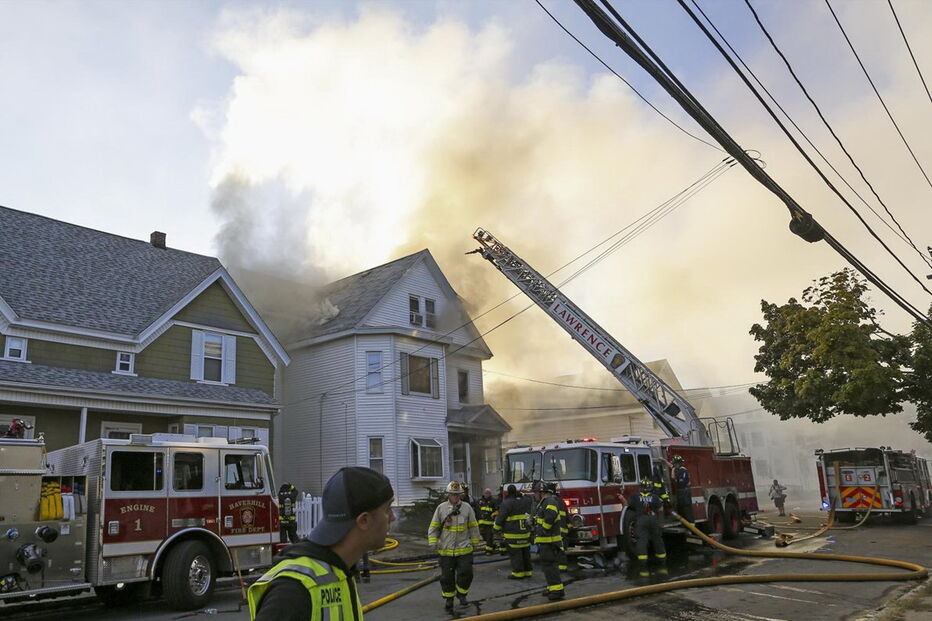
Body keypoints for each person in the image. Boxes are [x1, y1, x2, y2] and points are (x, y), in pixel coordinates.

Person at [248, 467, 394, 621]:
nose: (393, 517)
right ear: (364, 520)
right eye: (388, 509)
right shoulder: (292, 591)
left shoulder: (340, 571)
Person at [428, 480, 482, 612]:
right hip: (446, 550)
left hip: (464, 549)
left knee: (466, 573)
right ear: (448, 495)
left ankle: (462, 595)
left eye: (457, 494)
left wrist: (475, 541)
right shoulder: (441, 509)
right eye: (453, 494)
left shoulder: (467, 508)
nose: (455, 497)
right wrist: (433, 541)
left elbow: (473, 526)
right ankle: (449, 599)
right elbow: (433, 526)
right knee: (447, 577)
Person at [530, 480, 565, 601]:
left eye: (535, 492)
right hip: (545, 541)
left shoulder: (550, 501)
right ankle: (552, 587)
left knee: (550, 566)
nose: (534, 495)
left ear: (541, 492)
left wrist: (543, 529)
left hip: (550, 541)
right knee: (547, 566)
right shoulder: (543, 502)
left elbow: (550, 516)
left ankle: (557, 591)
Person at [494, 484, 532, 580]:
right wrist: (521, 494)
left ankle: (518, 573)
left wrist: (495, 529)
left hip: (513, 535)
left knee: (516, 554)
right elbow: (529, 499)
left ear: (508, 492)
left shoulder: (506, 503)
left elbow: (501, 518)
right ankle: (528, 572)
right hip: (525, 533)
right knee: (525, 553)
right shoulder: (525, 501)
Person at [627, 477, 666, 565]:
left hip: (641, 520)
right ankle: (662, 559)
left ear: (640, 487)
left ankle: (642, 561)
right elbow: (660, 509)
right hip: (653, 520)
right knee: (657, 539)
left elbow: (627, 505)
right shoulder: (655, 497)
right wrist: (662, 523)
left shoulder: (635, 497)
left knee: (641, 540)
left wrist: (621, 498)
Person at [546, 481, 570, 572]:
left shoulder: (551, 501)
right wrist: (569, 526)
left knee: (557, 548)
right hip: (563, 529)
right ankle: (562, 566)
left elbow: (550, 517)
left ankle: (561, 567)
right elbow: (567, 515)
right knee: (561, 548)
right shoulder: (560, 500)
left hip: (556, 530)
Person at [475, 488, 499, 555]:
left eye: (488, 493)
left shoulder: (493, 501)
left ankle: (489, 551)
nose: (487, 494)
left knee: (489, 537)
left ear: (490, 494)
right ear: (483, 493)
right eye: (486, 493)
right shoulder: (479, 501)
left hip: (490, 523)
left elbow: (497, 510)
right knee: (484, 537)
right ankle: (492, 546)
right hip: (481, 524)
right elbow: (477, 511)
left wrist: (493, 515)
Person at [670, 455, 694, 522]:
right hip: (682, 493)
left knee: (687, 512)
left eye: (674, 463)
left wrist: (672, 469)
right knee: (681, 510)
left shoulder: (682, 471)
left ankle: (691, 529)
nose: (674, 465)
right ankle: (686, 526)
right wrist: (664, 460)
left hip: (684, 493)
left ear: (678, 463)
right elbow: (671, 466)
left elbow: (673, 478)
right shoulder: (680, 469)